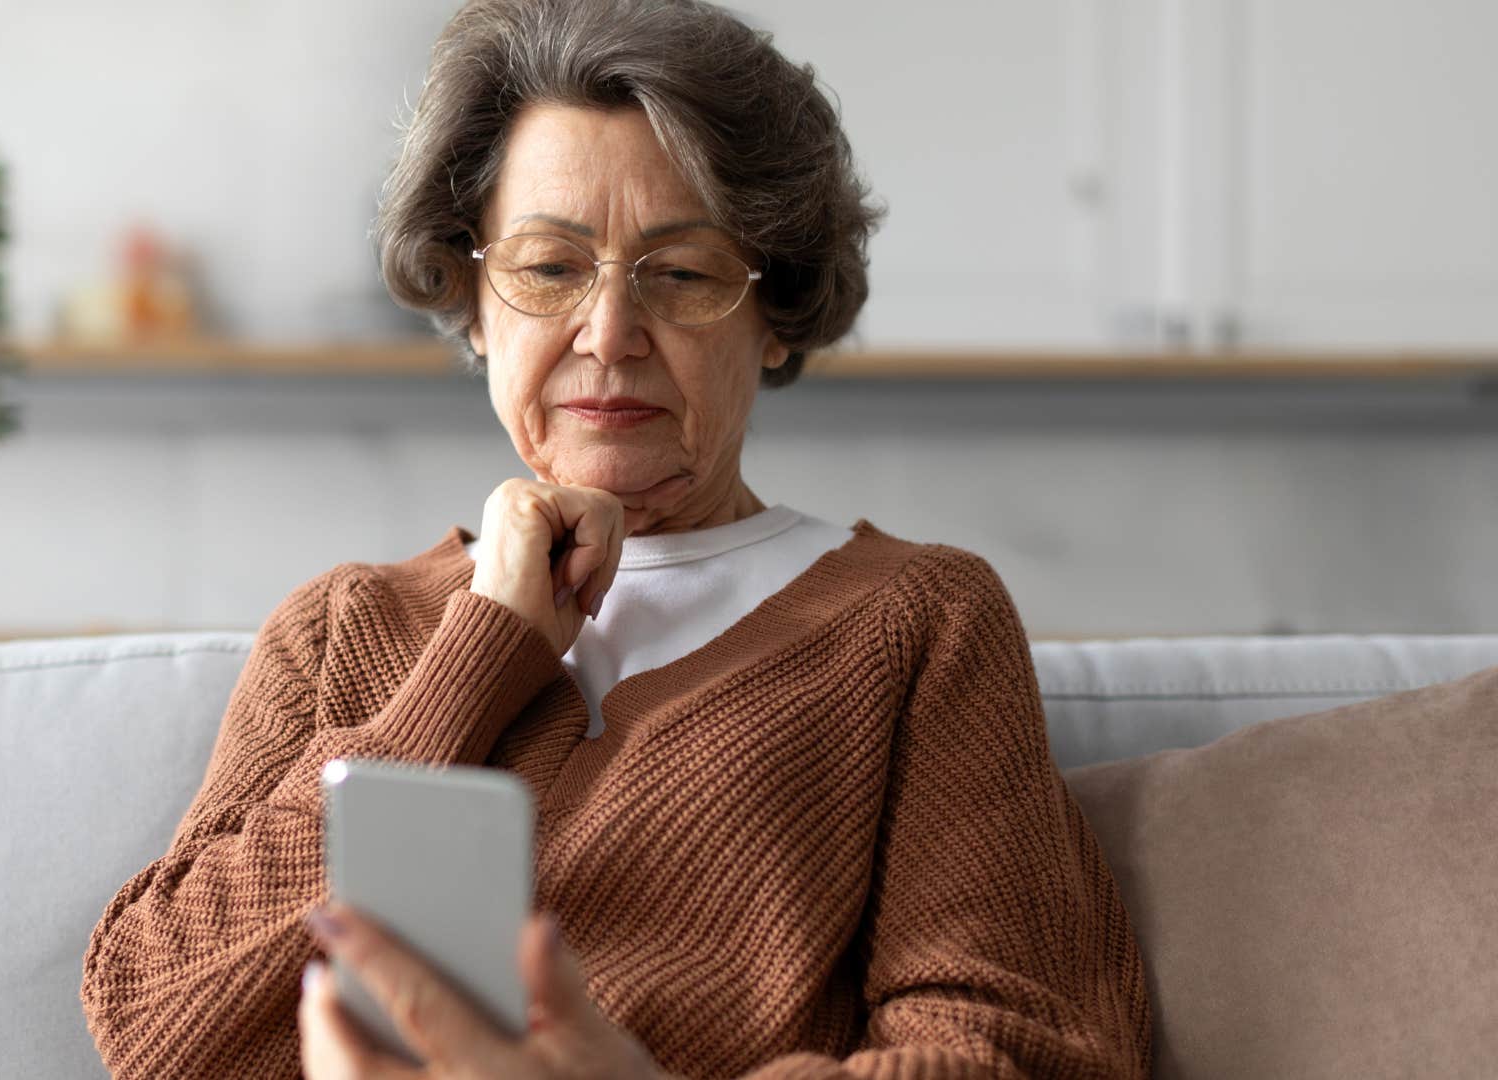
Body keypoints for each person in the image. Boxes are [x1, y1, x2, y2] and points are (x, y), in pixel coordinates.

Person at [80, 0, 1152, 1076]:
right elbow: (151, 1026)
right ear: (474, 301)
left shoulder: (916, 622)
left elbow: (1019, 1044)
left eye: (681, 274)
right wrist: (478, 655)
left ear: (773, 309)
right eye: (548, 269)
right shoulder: (343, 627)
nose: (608, 333)